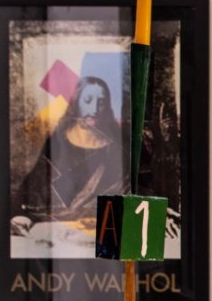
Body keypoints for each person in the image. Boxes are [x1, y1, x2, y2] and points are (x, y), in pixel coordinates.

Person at [12, 75, 126, 235]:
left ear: (107, 106)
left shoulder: (116, 148)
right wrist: (20, 216)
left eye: (101, 102)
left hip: (107, 231)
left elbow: (135, 193)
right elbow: (32, 187)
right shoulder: (58, 142)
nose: (94, 109)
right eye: (87, 100)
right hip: (56, 232)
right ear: (77, 102)